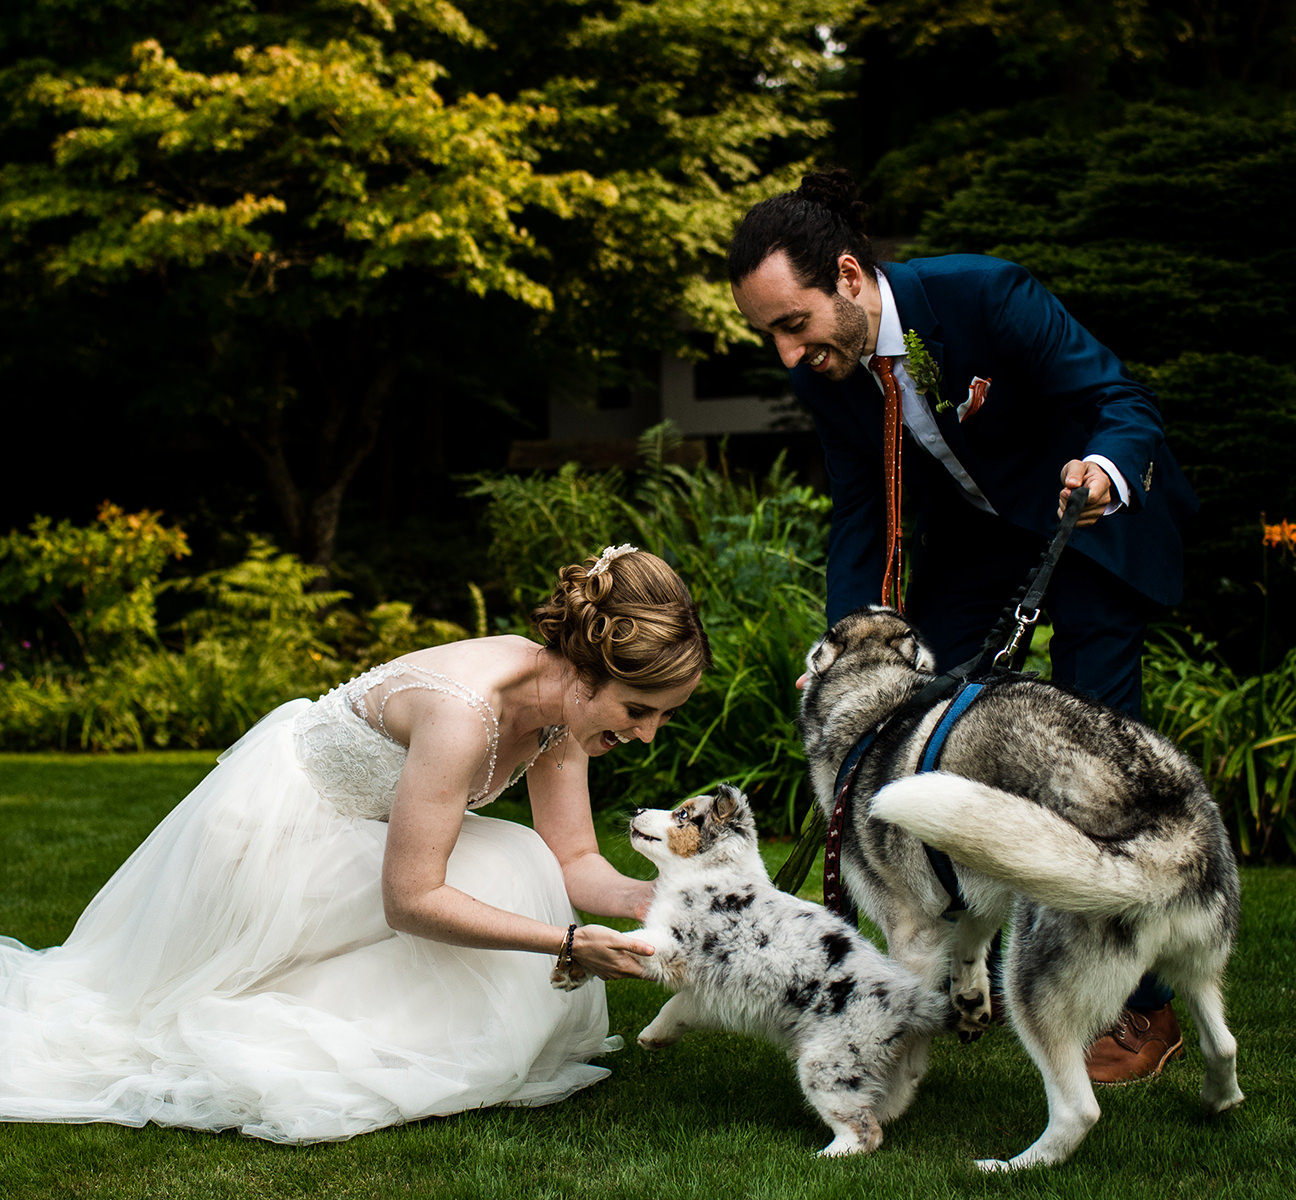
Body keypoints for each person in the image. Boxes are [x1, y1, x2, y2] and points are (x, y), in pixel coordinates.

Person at [728, 170, 1201, 1084]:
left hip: (1093, 520)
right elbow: (862, 513)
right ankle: (946, 961)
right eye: (770, 338)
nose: (787, 354)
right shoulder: (831, 378)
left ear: (852, 279)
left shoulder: (985, 293)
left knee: (1102, 772)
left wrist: (1103, 468)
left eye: (795, 324)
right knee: (924, 720)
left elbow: (1122, 399)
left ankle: (1145, 1013)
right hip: (986, 544)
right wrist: (845, 655)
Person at [0, 545, 708, 1143]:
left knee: (520, 859)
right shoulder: (466, 713)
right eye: (637, 710)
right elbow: (411, 900)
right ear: (584, 671)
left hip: (365, 839)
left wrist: (668, 900)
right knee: (503, 868)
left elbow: (575, 861)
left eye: (664, 717)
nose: (645, 734)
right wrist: (565, 944)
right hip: (271, 851)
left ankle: (407, 1030)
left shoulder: (566, 714)